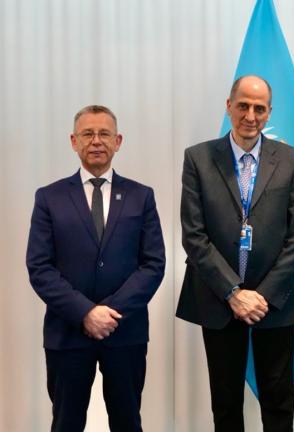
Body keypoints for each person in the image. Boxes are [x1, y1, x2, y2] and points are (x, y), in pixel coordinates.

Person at [176, 75, 294, 431]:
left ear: (269, 113)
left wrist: (261, 296)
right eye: (243, 106)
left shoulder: (292, 160)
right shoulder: (199, 158)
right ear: (229, 106)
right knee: (225, 402)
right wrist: (234, 293)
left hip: (273, 301)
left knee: (279, 401)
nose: (250, 115)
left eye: (259, 108)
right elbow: (193, 235)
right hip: (219, 299)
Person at [26, 105, 165, 431]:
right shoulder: (49, 197)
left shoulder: (141, 196)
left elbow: (154, 264)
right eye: (88, 133)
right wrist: (85, 312)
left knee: (128, 422)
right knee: (66, 423)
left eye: (104, 134)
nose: (96, 141)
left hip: (125, 331)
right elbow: (39, 266)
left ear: (118, 141)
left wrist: (109, 312)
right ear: (74, 141)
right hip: (67, 333)